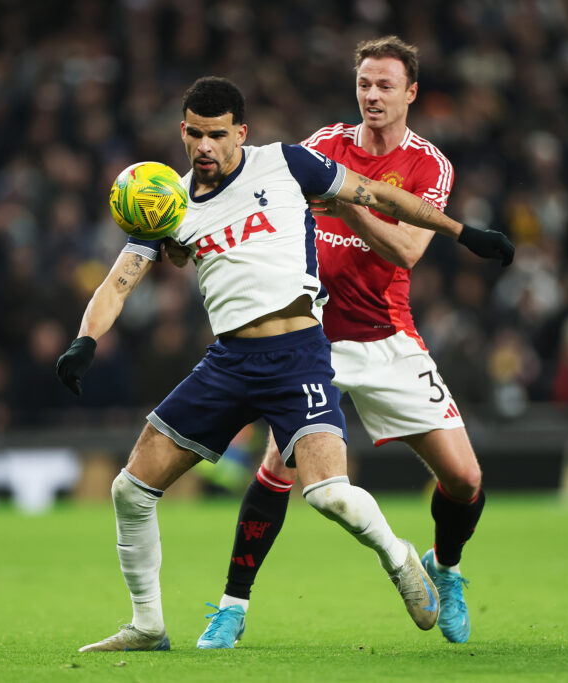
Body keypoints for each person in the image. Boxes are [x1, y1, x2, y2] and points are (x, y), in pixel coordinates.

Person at [56, 76, 513, 652]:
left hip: (297, 356)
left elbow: (379, 195)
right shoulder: (168, 201)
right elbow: (118, 283)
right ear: (182, 132)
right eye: (194, 134)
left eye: (217, 135)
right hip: (227, 362)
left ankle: (398, 557)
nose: (204, 146)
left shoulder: (288, 163)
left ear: (240, 133)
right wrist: (85, 341)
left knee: (328, 494)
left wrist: (463, 232)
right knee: (130, 489)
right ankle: (148, 626)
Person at [195, 36, 499, 649]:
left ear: (411, 93)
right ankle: (231, 607)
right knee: (277, 468)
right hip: (310, 340)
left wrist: (345, 198)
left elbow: (408, 249)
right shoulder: (322, 144)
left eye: (386, 85)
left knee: (465, 479)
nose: (372, 95)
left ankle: (445, 567)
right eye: (364, 84)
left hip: (387, 337)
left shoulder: (429, 165)